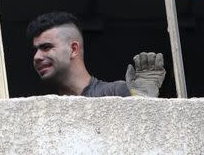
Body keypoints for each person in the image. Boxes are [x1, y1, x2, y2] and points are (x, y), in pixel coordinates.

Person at [26, 11, 165, 97]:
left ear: (73, 49)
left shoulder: (115, 93)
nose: (37, 57)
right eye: (36, 50)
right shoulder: (47, 113)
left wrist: (143, 102)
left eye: (46, 47)